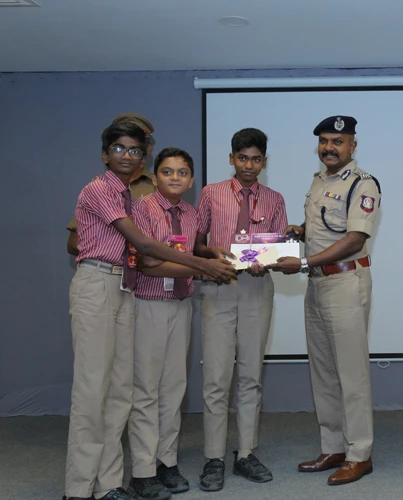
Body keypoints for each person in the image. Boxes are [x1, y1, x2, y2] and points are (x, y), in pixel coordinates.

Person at [64, 121, 235, 500]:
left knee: (119, 394)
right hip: (103, 284)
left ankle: (109, 484)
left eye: (135, 151)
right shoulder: (104, 191)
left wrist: (207, 254)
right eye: (119, 149)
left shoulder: (129, 196)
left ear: (143, 159)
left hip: (125, 288)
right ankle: (78, 489)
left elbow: (176, 247)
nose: (127, 156)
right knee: (93, 392)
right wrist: (204, 266)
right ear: (105, 154)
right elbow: (143, 248)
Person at [270, 115, 380, 486]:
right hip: (318, 284)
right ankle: (333, 447)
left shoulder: (363, 183)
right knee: (323, 372)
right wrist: (300, 231)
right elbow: (326, 228)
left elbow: (354, 239)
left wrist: (302, 262)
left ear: (352, 146)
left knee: (351, 375)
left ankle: (359, 454)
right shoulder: (319, 181)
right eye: (324, 141)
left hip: (345, 281)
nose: (329, 148)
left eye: (337, 141)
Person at [193, 128, 287, 492]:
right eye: (243, 158)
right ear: (232, 158)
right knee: (217, 377)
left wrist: (271, 260)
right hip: (219, 285)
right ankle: (214, 457)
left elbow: (279, 249)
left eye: (256, 159)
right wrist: (212, 254)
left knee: (251, 374)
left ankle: (246, 452)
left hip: (257, 288)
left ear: (264, 161)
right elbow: (196, 244)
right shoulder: (211, 193)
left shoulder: (275, 199)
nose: (249, 165)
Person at [127, 148, 201, 500]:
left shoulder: (191, 214)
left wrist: (208, 260)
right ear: (155, 178)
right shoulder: (142, 208)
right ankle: (142, 470)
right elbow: (147, 262)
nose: (175, 177)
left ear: (191, 180)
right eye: (167, 171)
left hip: (181, 304)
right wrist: (203, 268)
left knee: (174, 387)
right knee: (146, 389)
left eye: (182, 172)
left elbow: (190, 254)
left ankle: (166, 461)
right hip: (149, 304)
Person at [67, 113, 156, 256]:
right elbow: (74, 243)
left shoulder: (159, 188)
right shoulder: (100, 187)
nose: (127, 154)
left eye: (135, 144)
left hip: (148, 269)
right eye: (120, 147)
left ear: (148, 148)